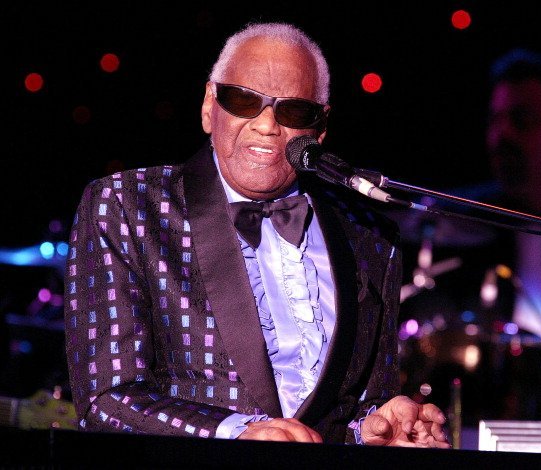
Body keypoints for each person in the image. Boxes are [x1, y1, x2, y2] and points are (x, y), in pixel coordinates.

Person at [63, 21, 450, 447]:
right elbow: (106, 401)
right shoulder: (126, 205)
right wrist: (238, 433)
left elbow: (356, 408)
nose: (267, 125)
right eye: (243, 100)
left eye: (294, 111)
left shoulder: (371, 236)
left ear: (319, 128)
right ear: (210, 107)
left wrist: (375, 429)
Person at [396, 47, 541, 423]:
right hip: (501, 423)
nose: (502, 134)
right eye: (495, 120)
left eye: (522, 120)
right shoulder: (462, 222)